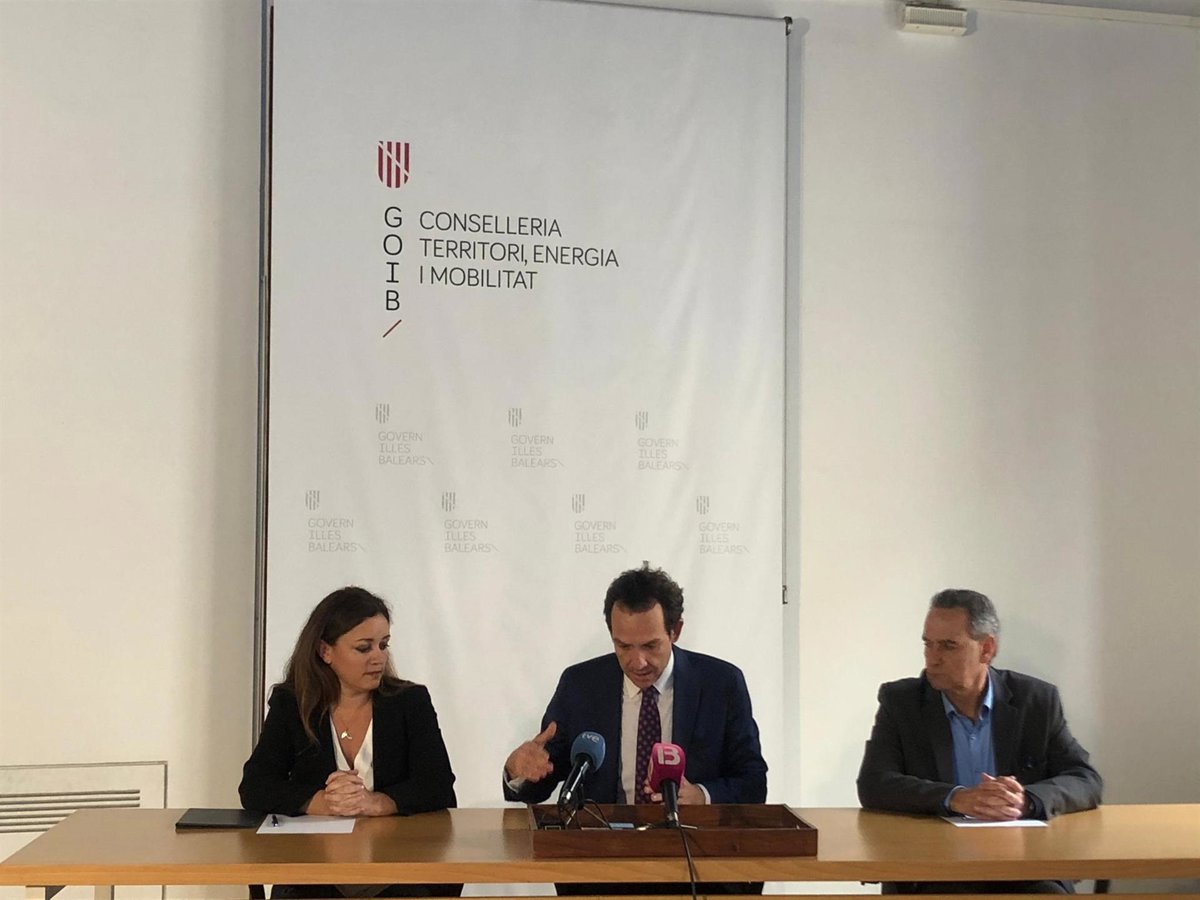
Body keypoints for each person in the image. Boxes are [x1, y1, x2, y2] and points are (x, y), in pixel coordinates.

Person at [503, 562, 767, 895]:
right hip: (602, 866)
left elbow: (753, 781)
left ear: (675, 630)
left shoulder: (721, 683)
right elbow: (547, 776)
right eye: (624, 646)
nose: (637, 662)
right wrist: (518, 771)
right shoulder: (580, 685)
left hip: (694, 861)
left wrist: (702, 795)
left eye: (650, 646)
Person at [857, 588, 1103, 894]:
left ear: (986, 649)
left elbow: (1085, 779)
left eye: (948, 646)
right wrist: (955, 798)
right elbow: (874, 783)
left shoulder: (1035, 700)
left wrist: (1027, 800)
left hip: (1024, 867)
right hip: (935, 870)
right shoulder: (902, 702)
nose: (932, 659)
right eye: (928, 644)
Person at [240, 586, 460, 898]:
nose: (378, 658)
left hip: (398, 868)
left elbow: (438, 785)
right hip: (316, 872)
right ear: (325, 651)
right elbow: (255, 786)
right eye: (363, 648)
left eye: (383, 645)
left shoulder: (410, 701)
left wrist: (377, 802)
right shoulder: (292, 704)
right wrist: (321, 801)